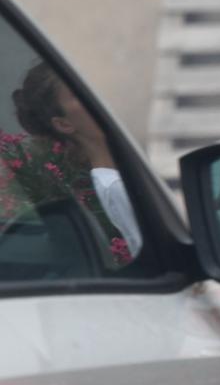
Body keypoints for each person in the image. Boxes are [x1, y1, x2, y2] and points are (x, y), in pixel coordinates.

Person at [11, 60, 143, 262]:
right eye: (79, 93)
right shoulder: (116, 186)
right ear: (64, 124)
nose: (97, 96)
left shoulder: (118, 176)